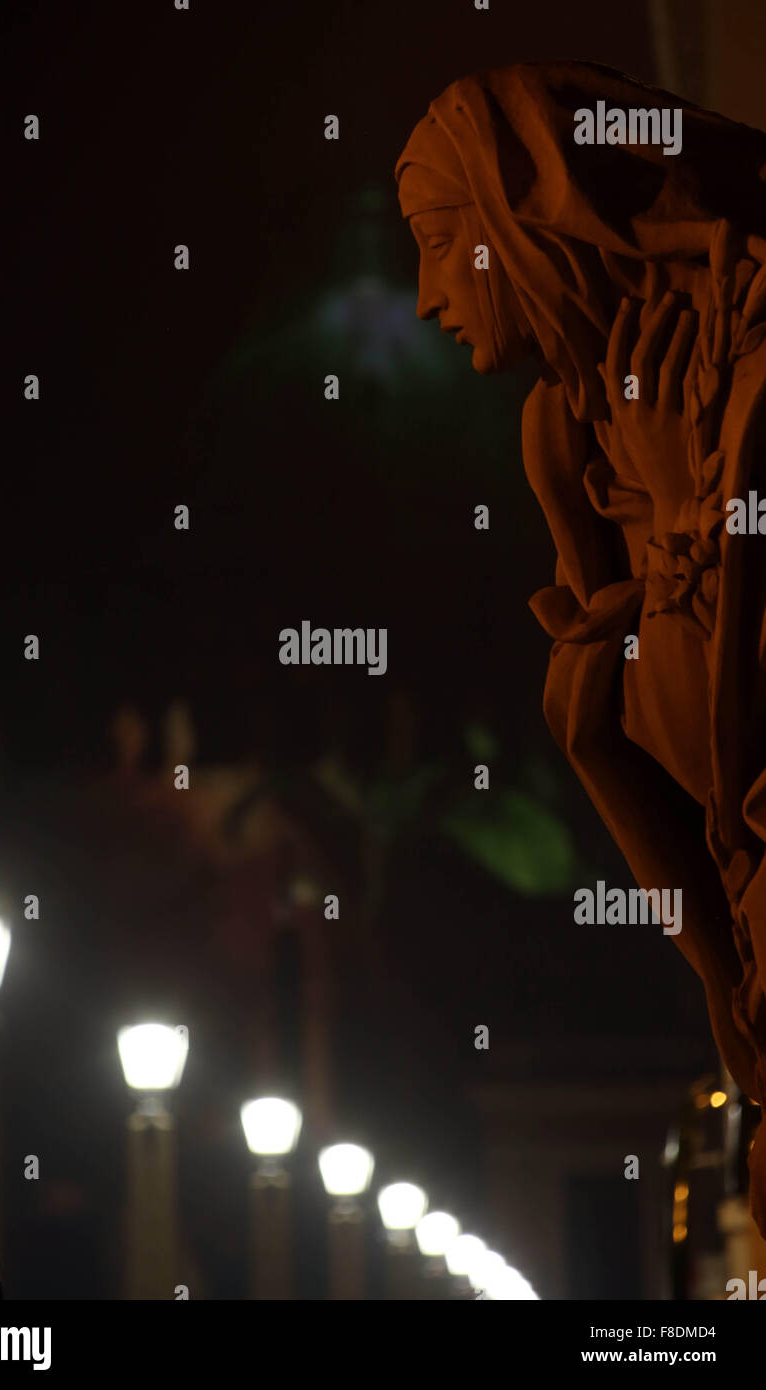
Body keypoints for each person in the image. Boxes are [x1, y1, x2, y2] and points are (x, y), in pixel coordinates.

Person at [396, 60, 766, 1235]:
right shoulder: (564, 434)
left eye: (443, 238)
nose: (422, 294)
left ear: (532, 215)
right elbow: (691, 828)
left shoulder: (749, 346)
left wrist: (685, 540)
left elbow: (731, 758)